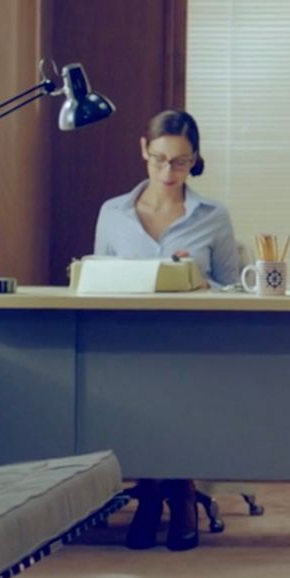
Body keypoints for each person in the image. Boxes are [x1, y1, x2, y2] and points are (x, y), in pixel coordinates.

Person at [93, 109, 241, 551]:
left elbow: (235, 290)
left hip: (194, 340)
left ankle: (170, 494)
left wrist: (199, 280)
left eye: (180, 162)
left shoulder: (213, 215)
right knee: (143, 386)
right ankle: (167, 492)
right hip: (129, 339)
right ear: (144, 149)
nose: (168, 171)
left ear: (195, 159)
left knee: (178, 385)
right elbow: (93, 280)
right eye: (159, 159)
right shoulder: (113, 213)